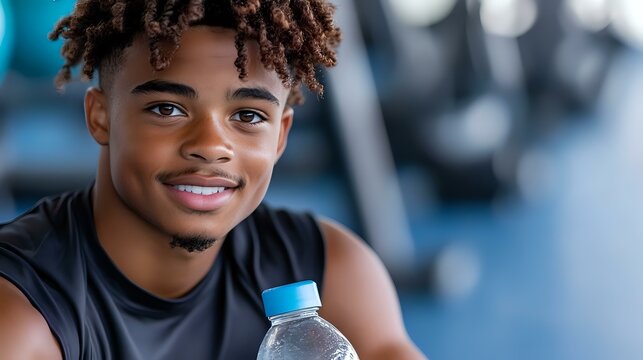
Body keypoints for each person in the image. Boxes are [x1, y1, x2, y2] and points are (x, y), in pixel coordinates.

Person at [0, 0, 426, 359]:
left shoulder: (336, 272)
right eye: (167, 109)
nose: (210, 145)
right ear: (99, 116)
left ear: (280, 137)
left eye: (248, 116)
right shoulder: (21, 318)